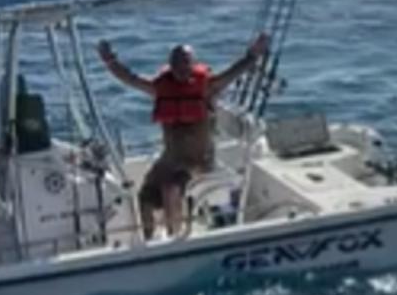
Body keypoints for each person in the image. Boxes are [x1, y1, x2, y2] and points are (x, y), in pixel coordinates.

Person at [96, 31, 271, 239]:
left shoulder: (208, 86)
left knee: (171, 188)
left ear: (192, 64)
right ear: (170, 65)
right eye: (176, 64)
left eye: (185, 63)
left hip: (198, 160)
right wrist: (110, 61)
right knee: (144, 197)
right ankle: (149, 239)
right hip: (169, 160)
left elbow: (236, 70)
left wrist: (254, 54)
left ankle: (175, 238)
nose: (181, 68)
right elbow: (130, 78)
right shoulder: (161, 88)